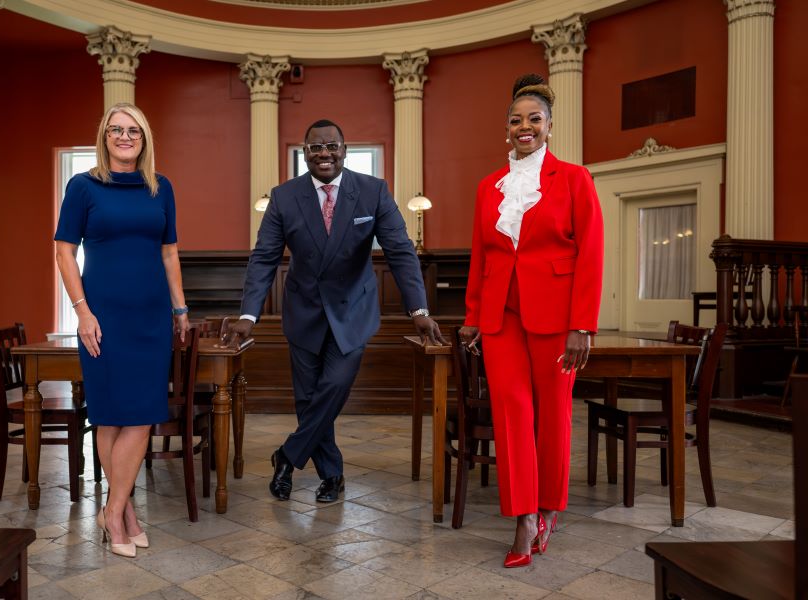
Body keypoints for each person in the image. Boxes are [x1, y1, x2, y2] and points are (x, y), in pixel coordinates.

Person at [223, 119, 446, 503]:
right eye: (315, 148)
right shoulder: (284, 197)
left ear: (344, 149)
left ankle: (288, 456)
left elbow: (399, 250)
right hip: (304, 310)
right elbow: (264, 258)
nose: (324, 154)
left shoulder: (373, 191)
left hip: (353, 310)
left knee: (335, 385)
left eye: (332, 146)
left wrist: (419, 307)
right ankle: (332, 475)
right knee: (309, 398)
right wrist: (248, 315)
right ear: (304, 153)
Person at [459, 74, 604, 568]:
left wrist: (582, 325)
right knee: (512, 415)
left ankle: (548, 507)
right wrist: (473, 316)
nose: (525, 126)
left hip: (558, 317)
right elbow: (481, 256)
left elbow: (591, 255)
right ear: (506, 128)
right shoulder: (487, 188)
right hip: (502, 319)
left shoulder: (575, 179)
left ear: (548, 125)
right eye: (516, 119)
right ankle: (523, 517)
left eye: (534, 119)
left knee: (554, 415)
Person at [55, 102, 189, 558]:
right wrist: (82, 311)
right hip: (103, 318)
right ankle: (122, 512)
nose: (125, 136)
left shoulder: (160, 188)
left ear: (144, 137)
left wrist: (180, 308)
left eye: (133, 130)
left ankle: (114, 508)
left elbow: (169, 254)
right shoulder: (83, 187)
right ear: (105, 136)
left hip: (150, 317)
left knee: (141, 413)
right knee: (110, 413)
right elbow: (63, 252)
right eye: (117, 129)